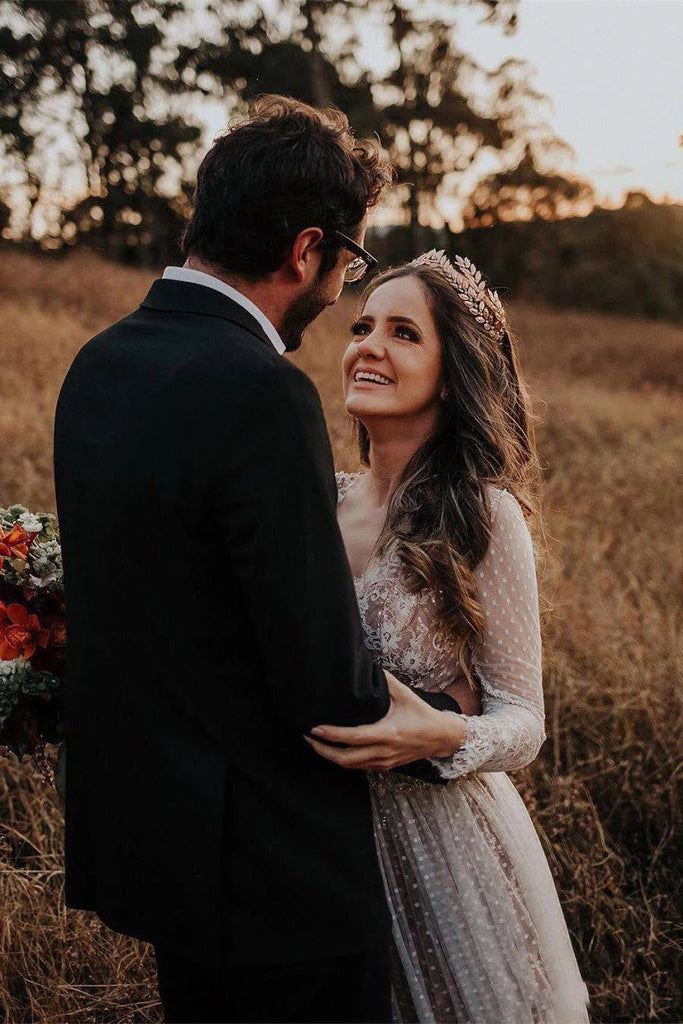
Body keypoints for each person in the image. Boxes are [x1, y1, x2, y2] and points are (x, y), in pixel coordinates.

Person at [53, 97, 466, 1024]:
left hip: (160, 857)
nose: (338, 297)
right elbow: (325, 684)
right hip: (281, 883)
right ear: (305, 249)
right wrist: (454, 726)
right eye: (346, 266)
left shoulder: (99, 363)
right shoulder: (261, 392)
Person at [306, 251, 592, 1023]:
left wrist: (441, 734)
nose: (368, 346)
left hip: (441, 847)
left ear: (451, 370)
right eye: (361, 325)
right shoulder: (314, 501)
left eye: (403, 333)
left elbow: (522, 721)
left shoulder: (483, 517)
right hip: (315, 841)